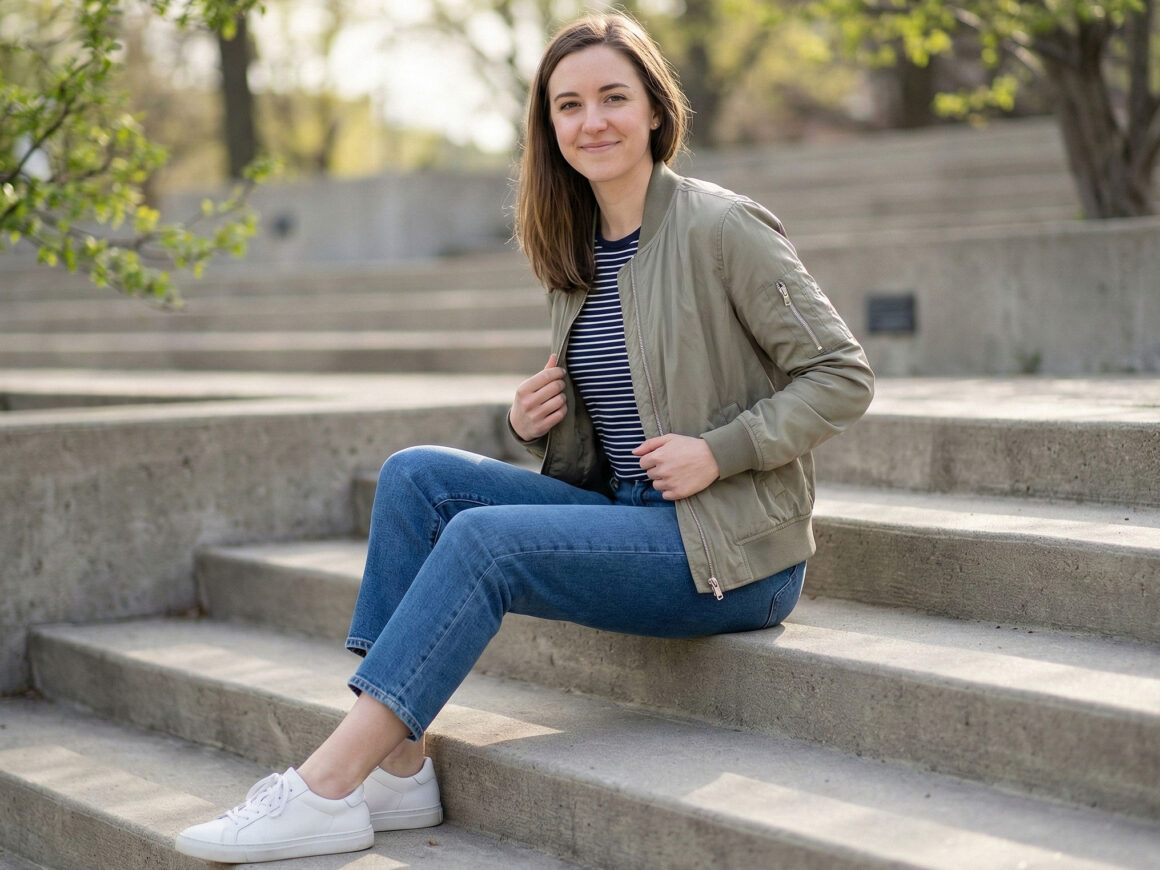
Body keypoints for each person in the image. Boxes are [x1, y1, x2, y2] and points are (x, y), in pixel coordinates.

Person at [175, 11, 874, 864]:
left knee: (481, 543)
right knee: (414, 479)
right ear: (550, 126)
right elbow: (623, 411)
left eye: (615, 97)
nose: (594, 121)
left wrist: (719, 450)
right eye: (569, 105)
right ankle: (398, 771)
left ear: (655, 109)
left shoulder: (722, 229)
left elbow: (843, 375)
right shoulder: (576, 246)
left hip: (732, 553)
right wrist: (532, 420)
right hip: (629, 514)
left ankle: (324, 787)